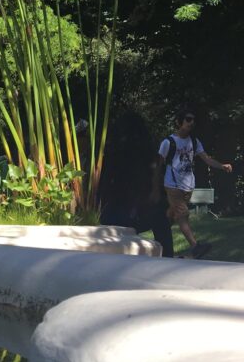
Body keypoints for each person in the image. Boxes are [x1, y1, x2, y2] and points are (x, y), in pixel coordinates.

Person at [157, 108, 233, 259]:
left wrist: (221, 166)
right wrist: (155, 185)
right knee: (183, 215)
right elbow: (158, 164)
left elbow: (206, 158)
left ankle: (158, 238)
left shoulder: (194, 141)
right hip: (173, 185)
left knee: (171, 215)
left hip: (188, 185)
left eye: (193, 120)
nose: (192, 122)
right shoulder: (168, 142)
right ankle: (195, 247)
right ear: (179, 122)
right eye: (188, 119)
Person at [98, 111, 174, 257]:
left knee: (159, 216)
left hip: (112, 216)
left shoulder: (111, 155)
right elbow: (155, 196)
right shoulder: (146, 157)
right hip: (129, 214)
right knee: (160, 217)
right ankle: (168, 256)